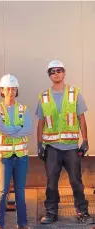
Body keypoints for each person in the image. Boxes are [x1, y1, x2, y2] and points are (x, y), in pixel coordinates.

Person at [36, 59, 94, 225]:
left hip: (71, 148)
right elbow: (40, 122)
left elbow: (81, 118)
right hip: (52, 148)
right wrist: (39, 144)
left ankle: (82, 212)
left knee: (76, 182)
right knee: (51, 183)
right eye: (52, 72)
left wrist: (86, 141)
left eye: (59, 70)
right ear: (49, 75)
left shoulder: (74, 93)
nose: (56, 74)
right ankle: (51, 212)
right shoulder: (44, 96)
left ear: (64, 72)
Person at [0, 74, 32, 229]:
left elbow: (27, 129)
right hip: (3, 158)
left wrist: (11, 130)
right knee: (2, 191)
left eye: (13, 88)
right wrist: (17, 129)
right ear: (2, 90)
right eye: (8, 88)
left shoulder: (23, 109)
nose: (11, 91)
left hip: (21, 157)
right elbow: (0, 130)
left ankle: (22, 223)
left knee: (20, 191)